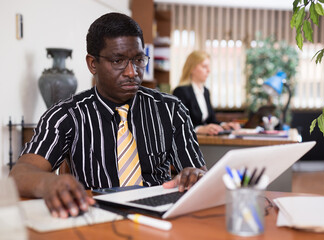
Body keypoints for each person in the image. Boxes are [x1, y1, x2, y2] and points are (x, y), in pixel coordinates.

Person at [9, 12, 206, 218]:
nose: (132, 72)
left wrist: (196, 175)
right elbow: (19, 175)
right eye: (118, 60)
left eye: (138, 59)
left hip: (158, 217)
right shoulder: (66, 115)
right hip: (95, 217)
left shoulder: (171, 109)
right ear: (93, 64)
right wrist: (48, 182)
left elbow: (197, 172)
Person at [173, 51, 240, 135]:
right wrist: (199, 129)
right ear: (192, 69)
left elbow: (211, 120)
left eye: (208, 67)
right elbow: (178, 123)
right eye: (204, 67)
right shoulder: (181, 91)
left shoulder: (205, 91)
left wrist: (224, 125)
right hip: (189, 141)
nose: (209, 70)